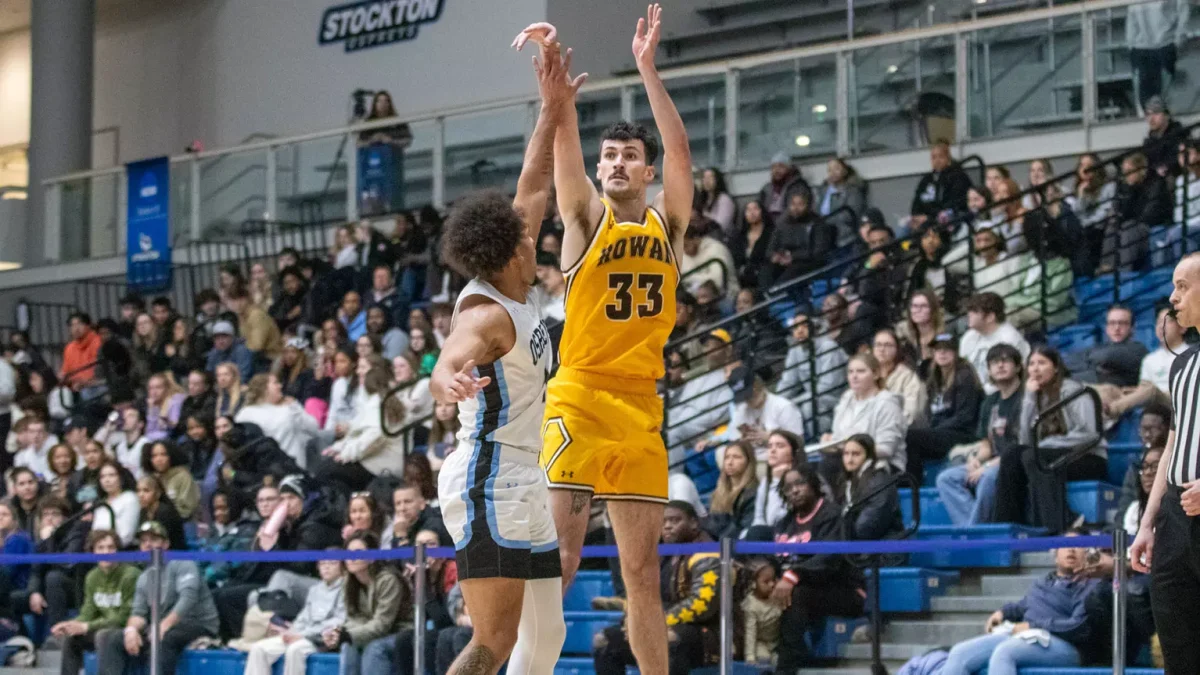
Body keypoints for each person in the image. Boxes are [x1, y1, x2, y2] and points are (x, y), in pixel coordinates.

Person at [532, 11, 693, 675]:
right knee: (563, 562)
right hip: (578, 398)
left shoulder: (670, 225)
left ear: (647, 171)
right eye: (608, 156)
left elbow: (681, 150)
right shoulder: (584, 218)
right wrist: (557, 100)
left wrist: (649, 69)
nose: (615, 162)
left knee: (643, 575)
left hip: (640, 406)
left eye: (628, 155)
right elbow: (565, 149)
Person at [427, 26, 572, 675]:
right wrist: (446, 381)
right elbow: (451, 355)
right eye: (527, 232)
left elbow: (533, 182)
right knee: (493, 643)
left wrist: (550, 106)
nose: (533, 224)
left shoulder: (513, 275)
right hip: (490, 475)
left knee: (546, 637)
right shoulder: (486, 311)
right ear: (514, 248)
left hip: (525, 474)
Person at [1129, 253, 1200, 672]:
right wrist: (1147, 523)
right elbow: (1173, 443)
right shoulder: (1183, 364)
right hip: (1175, 515)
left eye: (1182, 286)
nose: (1173, 298)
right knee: (1178, 648)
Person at [593, 501, 722, 675]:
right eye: (664, 521)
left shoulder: (708, 553)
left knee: (668, 639)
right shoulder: (658, 553)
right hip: (660, 625)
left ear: (694, 523)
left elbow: (702, 605)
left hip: (707, 633)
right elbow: (642, 595)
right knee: (604, 641)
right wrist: (634, 622)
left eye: (675, 520)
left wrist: (653, 625)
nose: (668, 526)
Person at [941, 535, 1101, 675]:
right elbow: (1024, 605)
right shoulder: (1042, 582)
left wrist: (1032, 626)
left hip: (1067, 646)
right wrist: (1002, 613)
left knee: (1005, 652)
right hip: (1026, 637)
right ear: (1055, 555)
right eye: (1065, 545)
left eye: (1079, 545)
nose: (1071, 549)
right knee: (959, 653)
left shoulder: (1090, 585)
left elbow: (1078, 627)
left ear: (1088, 555)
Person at [993, 347, 1108, 532]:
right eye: (1031, 364)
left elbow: (1090, 434)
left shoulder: (1073, 390)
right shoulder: (1035, 395)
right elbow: (1025, 440)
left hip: (1089, 458)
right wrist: (1029, 397)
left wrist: (1046, 445)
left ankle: (1060, 525)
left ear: (1056, 368)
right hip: (1052, 456)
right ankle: (1006, 527)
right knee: (1012, 454)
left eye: (1042, 363)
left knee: (1033, 457)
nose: (1035, 369)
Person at [772, 464, 865, 674]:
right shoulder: (784, 523)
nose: (794, 490)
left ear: (813, 484)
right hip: (802, 586)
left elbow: (829, 560)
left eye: (800, 483)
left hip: (844, 589)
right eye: (788, 488)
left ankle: (786, 667)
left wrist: (793, 575)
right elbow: (775, 559)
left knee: (797, 594)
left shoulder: (833, 515)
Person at [94, 521, 219, 675]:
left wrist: (163, 625)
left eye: (153, 540)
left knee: (163, 639)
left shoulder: (183, 563)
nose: (148, 545)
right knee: (111, 637)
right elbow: (138, 612)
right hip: (161, 626)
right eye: (144, 541)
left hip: (198, 623)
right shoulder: (144, 577)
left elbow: (188, 598)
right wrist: (131, 629)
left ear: (165, 544)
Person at [937, 343, 1025, 526]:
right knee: (946, 478)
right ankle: (976, 529)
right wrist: (976, 460)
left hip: (1014, 462)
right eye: (994, 362)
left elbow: (1022, 445)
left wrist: (987, 467)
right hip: (992, 461)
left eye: (1006, 360)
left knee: (986, 478)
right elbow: (986, 443)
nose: (1000, 366)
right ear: (989, 370)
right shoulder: (989, 402)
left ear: (1018, 367)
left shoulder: (1026, 398)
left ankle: (973, 534)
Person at [53, 530, 140, 675]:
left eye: (111, 547)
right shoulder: (92, 577)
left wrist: (87, 626)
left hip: (128, 629)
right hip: (104, 628)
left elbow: (125, 617)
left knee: (103, 635)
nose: (106, 552)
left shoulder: (131, 575)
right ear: (93, 552)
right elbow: (88, 611)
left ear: (118, 550)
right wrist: (71, 625)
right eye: (100, 547)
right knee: (71, 638)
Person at [243, 555, 346, 675]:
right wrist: (291, 631)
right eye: (322, 563)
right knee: (259, 648)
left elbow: (339, 621)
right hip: (301, 634)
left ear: (342, 566)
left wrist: (302, 635)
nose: (326, 567)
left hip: (320, 639)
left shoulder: (346, 589)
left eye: (332, 563)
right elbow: (303, 617)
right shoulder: (315, 589)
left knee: (295, 650)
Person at [328, 531, 409, 675]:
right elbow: (354, 618)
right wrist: (339, 633)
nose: (352, 558)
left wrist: (349, 634)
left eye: (358, 552)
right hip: (374, 631)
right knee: (349, 644)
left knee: (374, 648)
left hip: (401, 632)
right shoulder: (349, 581)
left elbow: (382, 625)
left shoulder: (388, 580)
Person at [905, 334, 983, 482]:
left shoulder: (965, 376)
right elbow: (930, 414)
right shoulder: (934, 377)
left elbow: (965, 417)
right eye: (938, 349)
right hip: (942, 433)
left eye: (947, 349)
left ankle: (913, 485)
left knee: (910, 437)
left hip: (963, 434)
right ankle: (912, 487)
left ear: (956, 352)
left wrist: (934, 430)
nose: (942, 353)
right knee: (906, 437)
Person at [316, 366, 406, 494]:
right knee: (327, 467)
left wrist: (348, 454)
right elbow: (357, 431)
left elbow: (375, 435)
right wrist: (339, 447)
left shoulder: (377, 403)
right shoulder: (384, 400)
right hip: (378, 460)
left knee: (327, 471)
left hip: (380, 464)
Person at [822, 353, 908, 480]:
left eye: (861, 371)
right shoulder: (846, 398)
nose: (854, 376)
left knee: (832, 466)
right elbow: (838, 437)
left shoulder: (887, 403)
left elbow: (886, 449)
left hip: (882, 464)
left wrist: (848, 448)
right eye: (851, 372)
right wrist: (828, 443)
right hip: (847, 459)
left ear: (875, 374)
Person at [776, 311, 847, 437]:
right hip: (813, 397)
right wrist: (775, 402)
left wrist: (797, 400)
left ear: (814, 327)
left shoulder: (828, 346)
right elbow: (788, 383)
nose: (800, 330)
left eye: (804, 326)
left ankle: (820, 443)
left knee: (809, 405)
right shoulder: (795, 351)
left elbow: (828, 387)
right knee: (782, 408)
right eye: (796, 327)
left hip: (838, 399)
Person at [236, 373, 321, 470]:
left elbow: (314, 429)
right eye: (275, 383)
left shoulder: (289, 408)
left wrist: (295, 408)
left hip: (293, 469)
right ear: (263, 388)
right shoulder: (245, 414)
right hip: (262, 472)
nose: (280, 386)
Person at [758, 191, 835, 290]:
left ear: (808, 206)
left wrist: (793, 257)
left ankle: (777, 295)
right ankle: (765, 297)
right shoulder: (782, 224)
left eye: (800, 204)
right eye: (793, 204)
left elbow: (819, 251)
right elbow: (769, 249)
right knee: (766, 270)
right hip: (782, 260)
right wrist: (775, 256)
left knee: (793, 272)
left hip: (806, 262)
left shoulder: (818, 224)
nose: (796, 208)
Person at [834, 434, 903, 541]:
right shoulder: (847, 480)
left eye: (856, 454)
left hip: (883, 549)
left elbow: (868, 527)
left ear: (869, 455)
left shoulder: (879, 480)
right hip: (858, 546)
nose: (849, 459)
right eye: (846, 454)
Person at [959, 292, 1031, 394]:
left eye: (975, 311)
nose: (969, 314)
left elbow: (1016, 375)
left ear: (990, 317)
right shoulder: (968, 337)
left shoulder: (1010, 338)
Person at [1064, 304, 1150, 387]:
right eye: (1112, 323)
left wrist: (1091, 364)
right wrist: (1096, 366)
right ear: (1107, 328)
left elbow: (1106, 357)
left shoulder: (1138, 349)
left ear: (1132, 328)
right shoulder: (1098, 348)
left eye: (1122, 323)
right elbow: (1068, 363)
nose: (1117, 328)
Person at [910, 141, 972, 230]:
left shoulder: (958, 176)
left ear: (948, 159)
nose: (937, 160)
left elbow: (957, 203)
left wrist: (930, 217)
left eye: (941, 157)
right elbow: (916, 201)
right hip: (924, 221)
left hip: (946, 220)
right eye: (933, 157)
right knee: (903, 231)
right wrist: (916, 216)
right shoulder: (926, 179)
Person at [702, 441, 757, 539]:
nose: (730, 462)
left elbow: (743, 527)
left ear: (748, 461)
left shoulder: (753, 493)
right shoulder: (718, 492)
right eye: (727, 457)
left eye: (736, 457)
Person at [873, 328, 925, 427]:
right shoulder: (867, 374)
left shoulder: (908, 376)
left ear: (897, 349)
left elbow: (911, 412)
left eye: (887, 345)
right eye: (878, 345)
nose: (882, 349)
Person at [751, 431, 800, 529]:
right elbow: (758, 517)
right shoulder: (766, 481)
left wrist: (777, 481)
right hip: (768, 537)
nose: (772, 450)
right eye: (769, 446)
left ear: (793, 453)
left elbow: (775, 519)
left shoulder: (802, 479)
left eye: (780, 446)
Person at [141, 440, 199, 520]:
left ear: (171, 456)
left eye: (163, 454)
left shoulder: (183, 476)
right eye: (154, 456)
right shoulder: (152, 479)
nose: (159, 459)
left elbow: (187, 510)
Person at [814, 157, 866, 246]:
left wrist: (827, 220)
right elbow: (816, 211)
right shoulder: (822, 191)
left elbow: (850, 215)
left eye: (836, 168)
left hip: (845, 238)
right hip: (825, 239)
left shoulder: (852, 191)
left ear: (845, 171)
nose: (832, 172)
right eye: (829, 170)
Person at [680, 222, 738, 299]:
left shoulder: (716, 249)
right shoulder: (683, 255)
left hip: (727, 298)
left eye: (686, 245)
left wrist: (692, 279)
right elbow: (684, 285)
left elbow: (718, 282)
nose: (684, 251)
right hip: (698, 302)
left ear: (696, 238)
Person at [741, 560, 781, 666]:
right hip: (760, 642)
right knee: (763, 659)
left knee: (781, 660)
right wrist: (750, 656)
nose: (772, 584)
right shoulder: (751, 605)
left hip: (778, 642)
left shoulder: (778, 596)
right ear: (753, 583)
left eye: (773, 580)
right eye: (766, 581)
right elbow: (750, 632)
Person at [91, 460, 140, 546]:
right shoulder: (100, 503)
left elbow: (126, 535)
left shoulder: (130, 498)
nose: (107, 480)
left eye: (111, 475)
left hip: (121, 553)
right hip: (99, 552)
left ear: (121, 478)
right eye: (102, 477)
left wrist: (108, 547)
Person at [730, 200, 773, 290]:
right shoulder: (740, 236)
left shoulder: (771, 233)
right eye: (748, 210)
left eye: (755, 209)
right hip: (744, 276)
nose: (752, 213)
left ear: (762, 211)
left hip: (763, 274)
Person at [135, 476, 187, 551]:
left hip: (174, 556)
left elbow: (164, 542)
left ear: (158, 493)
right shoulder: (143, 511)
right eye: (138, 491)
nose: (141, 495)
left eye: (146, 491)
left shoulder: (165, 512)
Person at [757, 153, 810, 222]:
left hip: (789, 226)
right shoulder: (766, 188)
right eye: (774, 167)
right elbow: (758, 208)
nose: (776, 170)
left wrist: (775, 226)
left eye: (781, 166)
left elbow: (793, 211)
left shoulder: (798, 187)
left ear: (789, 169)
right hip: (768, 228)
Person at [61, 312, 103, 394]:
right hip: (75, 386)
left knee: (86, 392)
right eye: (72, 325)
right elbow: (66, 372)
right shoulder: (69, 348)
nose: (76, 328)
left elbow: (96, 372)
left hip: (94, 385)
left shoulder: (98, 342)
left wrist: (82, 382)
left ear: (88, 326)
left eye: (79, 324)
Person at [699, 167, 736, 237]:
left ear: (718, 180)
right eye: (704, 177)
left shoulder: (724, 199)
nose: (707, 180)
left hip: (722, 239)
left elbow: (721, 226)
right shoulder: (703, 200)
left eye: (711, 177)